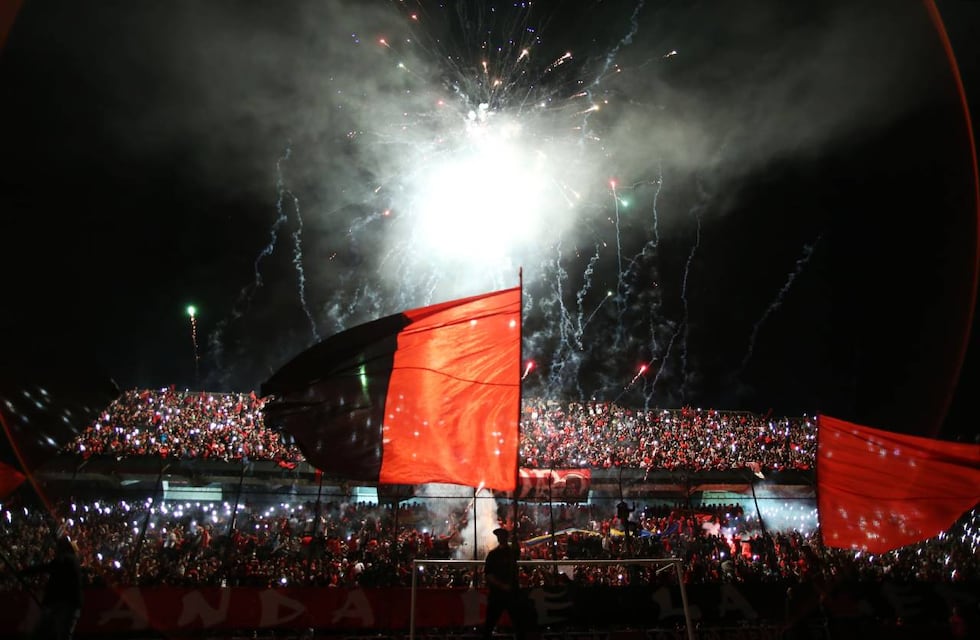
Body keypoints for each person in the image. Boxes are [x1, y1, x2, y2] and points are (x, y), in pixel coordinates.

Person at [20, 536, 84, 640]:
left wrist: (25, 572)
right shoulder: (72, 561)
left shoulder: (65, 559)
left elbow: (47, 568)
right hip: (68, 603)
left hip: (63, 603)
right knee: (62, 634)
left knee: (53, 632)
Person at [483, 528, 526, 640]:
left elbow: (517, 551)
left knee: (519, 623)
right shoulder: (493, 554)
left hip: (511, 593)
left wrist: (516, 540)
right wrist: (502, 585)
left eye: (502, 536)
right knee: (489, 623)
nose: (500, 538)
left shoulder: (511, 552)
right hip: (497, 594)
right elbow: (488, 574)